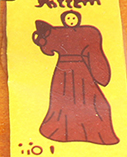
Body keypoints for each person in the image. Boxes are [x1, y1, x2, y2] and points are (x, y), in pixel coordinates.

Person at [32, 10, 119, 145]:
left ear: (78, 19)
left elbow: (94, 52)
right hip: (63, 71)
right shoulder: (57, 33)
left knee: (94, 101)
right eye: (68, 18)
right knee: (63, 100)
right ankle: (62, 132)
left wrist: (99, 72)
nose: (71, 21)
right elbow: (48, 49)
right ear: (64, 20)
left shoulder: (88, 32)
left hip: (81, 71)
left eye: (73, 18)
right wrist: (42, 40)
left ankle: (94, 133)